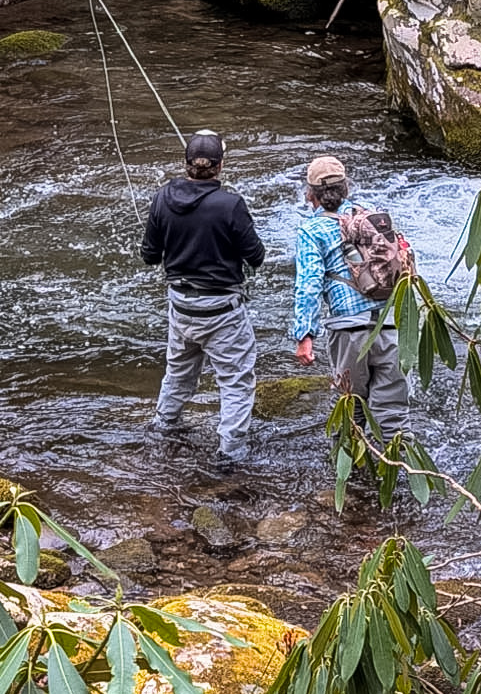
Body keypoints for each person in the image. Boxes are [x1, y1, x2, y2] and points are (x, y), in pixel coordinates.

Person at [141, 129, 266, 468]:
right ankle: (230, 453)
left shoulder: (161, 198)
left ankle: (164, 427)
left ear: (186, 165)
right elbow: (256, 256)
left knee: (178, 372)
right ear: (220, 166)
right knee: (236, 381)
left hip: (180, 308)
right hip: (223, 311)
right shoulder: (231, 204)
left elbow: (150, 256)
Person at [291, 154, 410, 440]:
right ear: (347, 188)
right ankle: (397, 475)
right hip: (392, 325)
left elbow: (309, 285)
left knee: (349, 409)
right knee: (393, 414)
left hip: (350, 330)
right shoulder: (373, 220)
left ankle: (348, 480)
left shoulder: (311, 230)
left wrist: (304, 335)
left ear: (311, 195)